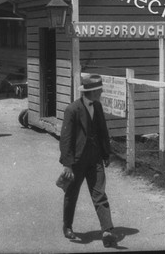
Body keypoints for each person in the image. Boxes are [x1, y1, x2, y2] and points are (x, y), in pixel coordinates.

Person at [59, 74, 116, 248]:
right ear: (91, 92)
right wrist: (67, 164)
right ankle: (67, 226)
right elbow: (66, 138)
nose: (101, 92)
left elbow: (102, 131)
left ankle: (107, 230)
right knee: (72, 194)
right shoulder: (72, 110)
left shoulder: (97, 106)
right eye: (99, 90)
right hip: (77, 161)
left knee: (99, 193)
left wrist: (106, 154)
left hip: (95, 158)